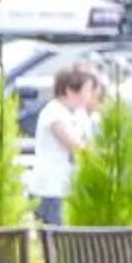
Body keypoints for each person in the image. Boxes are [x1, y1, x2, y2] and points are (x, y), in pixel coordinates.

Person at [27, 61, 102, 226]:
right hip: (50, 189)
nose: (90, 96)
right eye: (87, 90)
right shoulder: (54, 113)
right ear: (70, 90)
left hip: (69, 187)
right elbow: (76, 146)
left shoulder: (79, 114)